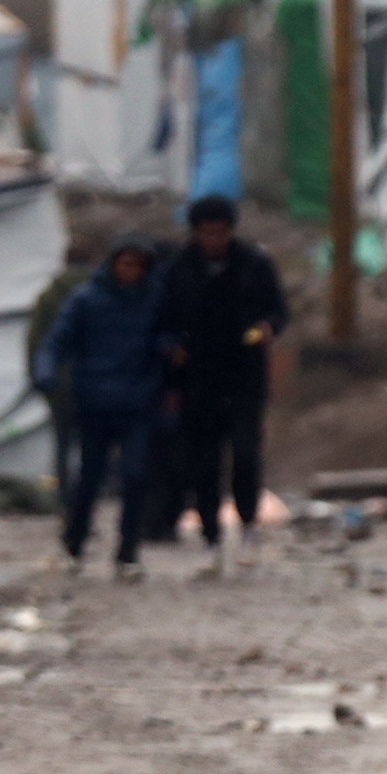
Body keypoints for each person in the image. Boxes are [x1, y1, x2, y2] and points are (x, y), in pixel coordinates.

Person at [157, 195, 290, 574]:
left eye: (219, 232)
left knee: (246, 454)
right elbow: (164, 321)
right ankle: (211, 536)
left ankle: (248, 525)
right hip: (197, 379)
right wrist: (172, 352)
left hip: (245, 374)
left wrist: (266, 329)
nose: (213, 239)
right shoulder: (178, 270)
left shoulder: (256, 264)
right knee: (204, 462)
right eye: (206, 232)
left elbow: (277, 312)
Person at [34, 234, 170, 582]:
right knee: (89, 478)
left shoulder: (154, 300)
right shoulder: (86, 301)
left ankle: (128, 553)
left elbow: (169, 337)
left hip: (138, 402)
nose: (131, 272)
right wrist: (46, 373)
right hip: (94, 402)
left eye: (138, 266)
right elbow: (57, 340)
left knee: (135, 476)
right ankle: (74, 544)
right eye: (126, 264)